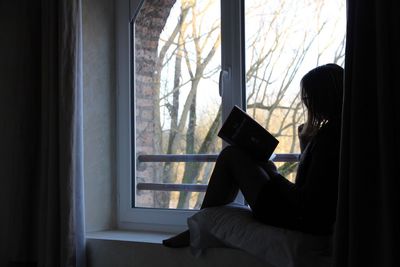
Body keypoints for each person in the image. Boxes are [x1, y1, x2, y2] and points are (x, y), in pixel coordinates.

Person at [163, 63, 344, 248]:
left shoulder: (329, 138)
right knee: (246, 159)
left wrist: (274, 176)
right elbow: (309, 190)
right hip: (303, 215)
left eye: (308, 98)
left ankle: (198, 229)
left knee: (231, 155)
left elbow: (306, 200)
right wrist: (300, 151)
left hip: (297, 218)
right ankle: (200, 227)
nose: (306, 103)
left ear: (322, 98)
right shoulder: (338, 132)